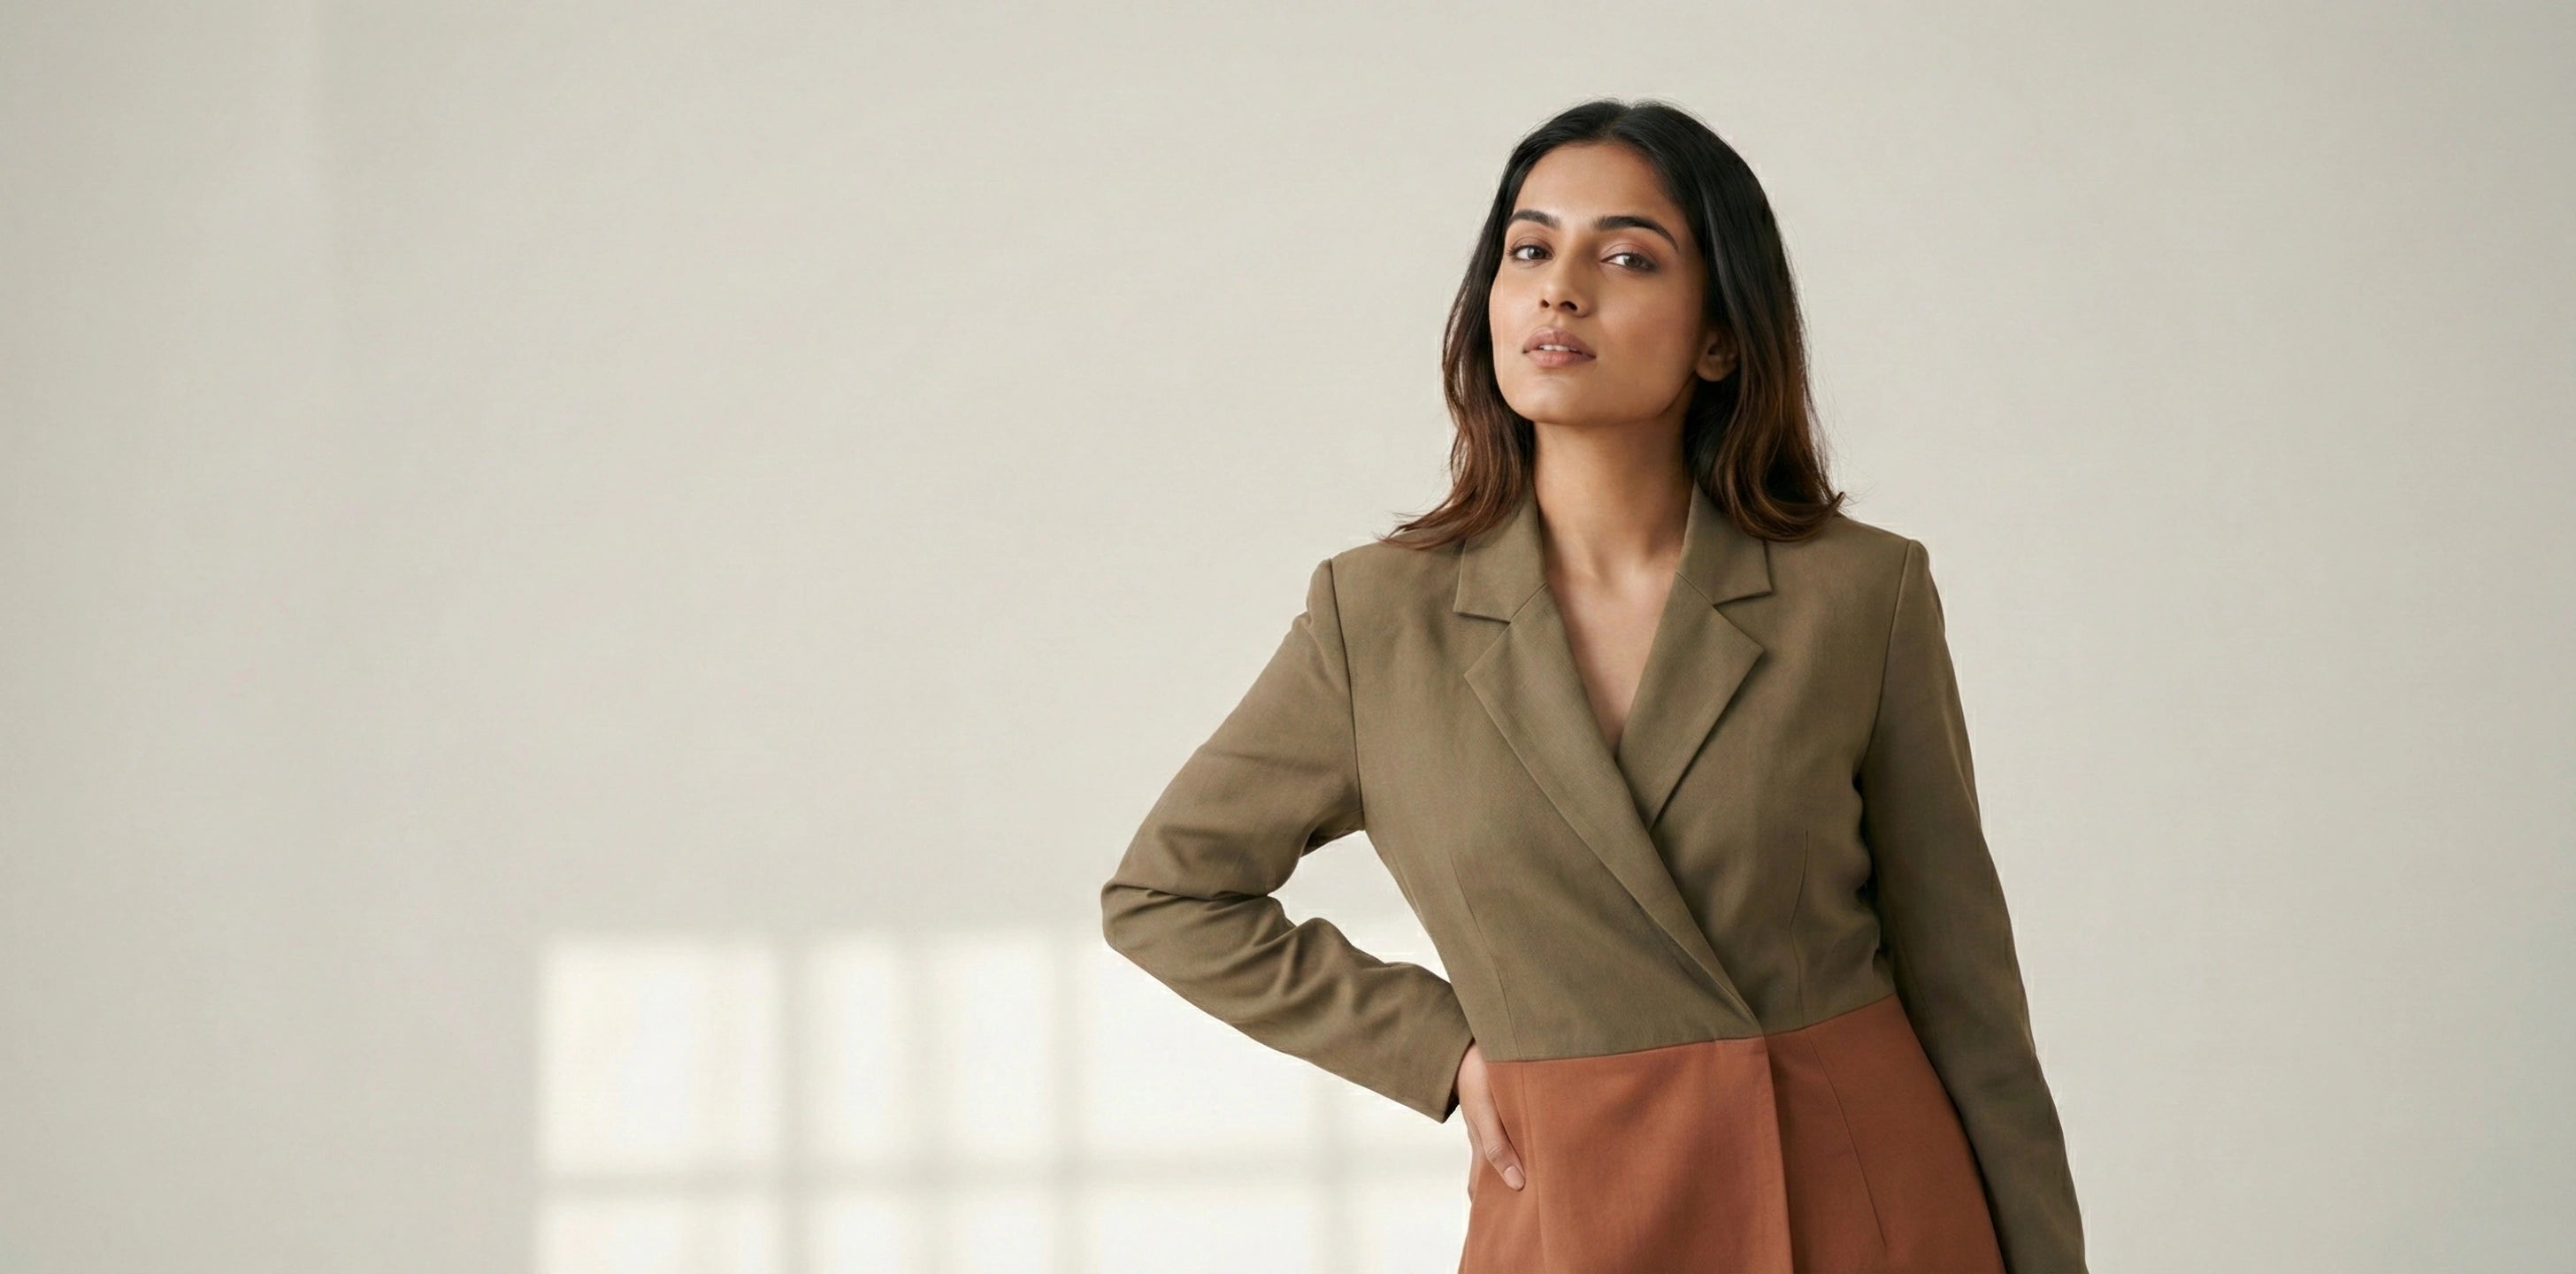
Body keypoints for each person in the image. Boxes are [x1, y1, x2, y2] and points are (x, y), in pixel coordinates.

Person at [1099, 97, 2086, 1274]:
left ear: (1720, 338)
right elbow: (1167, 895)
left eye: (1624, 256)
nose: (1561, 289)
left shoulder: (1856, 594)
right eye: (1530, 250)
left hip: (1864, 1203)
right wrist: (1445, 1050)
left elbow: (1967, 994)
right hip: (1578, 1217)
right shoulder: (1378, 620)